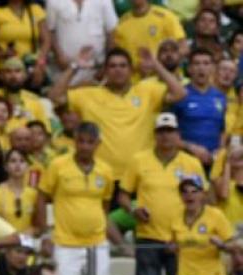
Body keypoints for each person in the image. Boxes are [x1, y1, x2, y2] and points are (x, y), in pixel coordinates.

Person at [50, 46, 185, 181]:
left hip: (141, 174)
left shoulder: (147, 91)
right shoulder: (89, 94)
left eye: (123, 65)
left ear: (131, 70)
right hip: (103, 174)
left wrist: (156, 65)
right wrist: (74, 66)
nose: (118, 70)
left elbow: (180, 93)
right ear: (105, 71)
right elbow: (55, 96)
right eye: (112, 66)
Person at [119, 113, 207, 275]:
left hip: (180, 237)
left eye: (170, 131)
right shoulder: (138, 160)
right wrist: (133, 210)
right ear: (155, 134)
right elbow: (123, 196)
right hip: (148, 237)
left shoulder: (191, 163)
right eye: (161, 131)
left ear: (178, 134)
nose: (165, 135)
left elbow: (202, 198)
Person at [34, 122, 121, 275]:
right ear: (74, 142)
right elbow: (41, 198)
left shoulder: (106, 171)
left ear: (98, 144)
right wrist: (44, 235)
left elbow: (104, 209)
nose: (84, 146)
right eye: (81, 141)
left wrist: (119, 242)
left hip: (97, 242)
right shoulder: (58, 165)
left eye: (90, 142)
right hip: (65, 243)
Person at [172, 179, 240, 275]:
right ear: (180, 196)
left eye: (194, 191)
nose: (189, 195)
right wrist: (171, 248)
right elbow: (170, 245)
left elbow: (234, 245)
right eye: (184, 192)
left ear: (203, 194)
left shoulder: (215, 215)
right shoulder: (175, 217)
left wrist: (222, 245)